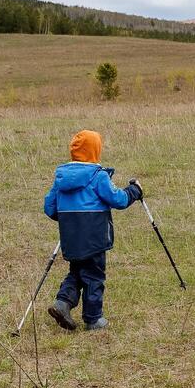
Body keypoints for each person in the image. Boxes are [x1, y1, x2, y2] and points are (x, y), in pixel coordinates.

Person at [42, 129, 142, 331]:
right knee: (94, 275)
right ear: (95, 151)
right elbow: (119, 200)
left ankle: (63, 303)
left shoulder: (61, 177)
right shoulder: (98, 175)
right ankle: (93, 319)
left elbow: (50, 208)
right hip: (94, 236)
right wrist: (135, 191)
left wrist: (69, 219)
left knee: (77, 270)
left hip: (71, 236)